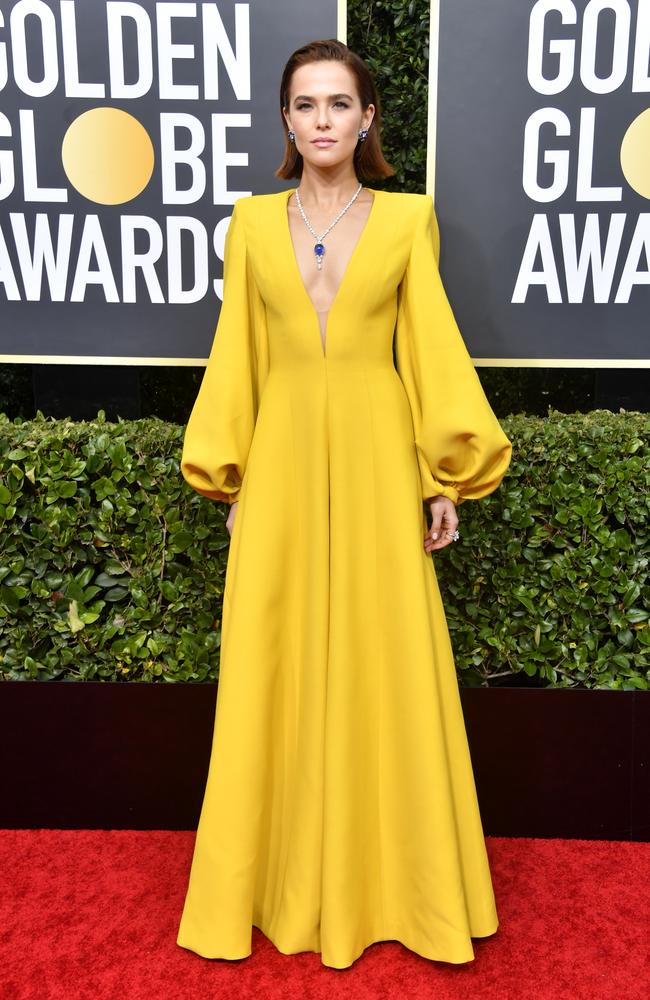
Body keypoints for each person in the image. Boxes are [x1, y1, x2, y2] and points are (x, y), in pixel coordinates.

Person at [176, 38, 512, 970]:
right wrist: (232, 475)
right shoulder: (248, 225)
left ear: (367, 119)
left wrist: (440, 474)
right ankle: (275, 885)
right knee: (273, 663)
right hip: (282, 462)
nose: (322, 119)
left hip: (374, 459)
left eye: (338, 104)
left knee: (382, 661)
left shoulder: (408, 220)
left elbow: (430, 352)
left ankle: (398, 888)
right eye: (304, 104)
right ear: (285, 121)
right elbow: (236, 354)